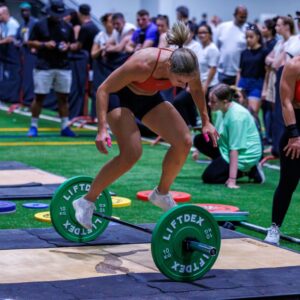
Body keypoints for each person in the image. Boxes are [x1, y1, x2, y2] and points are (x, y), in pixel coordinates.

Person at [72, 22, 218, 229]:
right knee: (132, 153)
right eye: (179, 81)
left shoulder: (188, 66)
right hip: (119, 96)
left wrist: (206, 122)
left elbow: (196, 91)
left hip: (147, 98)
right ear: (169, 67)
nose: (183, 86)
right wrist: (102, 128)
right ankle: (86, 201)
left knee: (184, 141)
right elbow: (103, 90)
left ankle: (161, 193)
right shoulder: (143, 63)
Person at [193, 83, 264, 188]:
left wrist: (232, 180)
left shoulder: (236, 117)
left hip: (244, 155)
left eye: (213, 102)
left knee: (209, 177)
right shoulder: (221, 110)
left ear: (224, 102)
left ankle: (249, 171)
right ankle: (221, 165)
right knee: (199, 139)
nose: (209, 104)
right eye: (209, 100)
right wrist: (198, 149)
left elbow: (235, 149)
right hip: (226, 147)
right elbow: (216, 135)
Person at [264, 50, 300, 246]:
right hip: (296, 125)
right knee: (288, 182)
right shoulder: (294, 65)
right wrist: (294, 135)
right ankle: (274, 227)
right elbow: (286, 101)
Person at [27, 0, 77, 137]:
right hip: (44, 66)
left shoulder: (67, 27)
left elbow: (74, 44)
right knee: (39, 97)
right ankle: (33, 125)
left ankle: (65, 126)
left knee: (63, 98)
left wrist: (69, 47)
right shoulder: (39, 25)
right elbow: (30, 42)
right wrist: (44, 44)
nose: (58, 16)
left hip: (63, 66)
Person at [216, 6, 248, 85]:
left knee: (234, 97)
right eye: (241, 17)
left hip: (238, 73)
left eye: (245, 17)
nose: (243, 20)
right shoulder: (222, 27)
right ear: (235, 15)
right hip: (222, 71)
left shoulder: (247, 29)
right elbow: (217, 47)